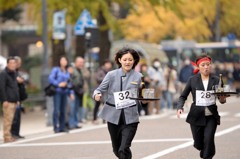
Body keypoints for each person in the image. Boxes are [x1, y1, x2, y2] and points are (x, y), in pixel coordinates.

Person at [92, 47, 142, 159]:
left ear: (134, 61)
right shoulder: (111, 75)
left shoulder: (139, 77)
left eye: (130, 59)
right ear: (119, 60)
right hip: (113, 117)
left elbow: (144, 95)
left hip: (131, 118)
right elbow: (99, 89)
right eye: (125, 59)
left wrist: (146, 99)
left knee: (123, 148)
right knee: (116, 149)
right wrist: (96, 95)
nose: (127, 62)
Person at [176, 54, 229, 159]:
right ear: (198, 67)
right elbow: (183, 96)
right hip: (196, 115)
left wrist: (223, 98)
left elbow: (222, 100)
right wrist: (179, 107)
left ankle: (207, 155)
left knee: (209, 139)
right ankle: (204, 150)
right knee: (199, 143)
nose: (206, 67)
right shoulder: (192, 80)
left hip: (211, 115)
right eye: (203, 65)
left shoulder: (216, 79)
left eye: (208, 65)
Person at [48, 56, 74, 133]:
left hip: (65, 92)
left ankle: (62, 127)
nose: (63, 62)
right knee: (56, 110)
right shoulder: (56, 70)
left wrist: (71, 93)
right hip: (57, 92)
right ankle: (55, 126)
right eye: (62, 60)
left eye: (65, 60)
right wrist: (58, 84)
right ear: (59, 61)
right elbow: (51, 78)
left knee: (63, 110)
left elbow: (70, 83)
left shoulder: (67, 71)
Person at [0, 57, 19, 143]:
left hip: (14, 100)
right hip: (8, 101)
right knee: (7, 119)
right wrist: (4, 100)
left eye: (14, 63)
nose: (13, 64)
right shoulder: (4, 74)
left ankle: (9, 135)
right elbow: (2, 88)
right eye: (11, 63)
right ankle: (6, 136)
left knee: (11, 120)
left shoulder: (14, 73)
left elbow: (15, 88)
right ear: (7, 64)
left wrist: (17, 99)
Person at [11, 56, 28, 139]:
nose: (19, 64)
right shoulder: (11, 73)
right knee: (14, 116)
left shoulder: (17, 72)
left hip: (19, 97)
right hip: (13, 98)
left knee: (18, 116)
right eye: (18, 63)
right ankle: (12, 133)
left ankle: (17, 133)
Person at [92, 59, 113, 124]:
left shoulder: (110, 71)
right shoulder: (100, 70)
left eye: (110, 64)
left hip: (107, 91)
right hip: (100, 90)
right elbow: (97, 78)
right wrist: (106, 80)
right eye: (107, 64)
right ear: (105, 64)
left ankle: (105, 118)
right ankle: (94, 118)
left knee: (105, 104)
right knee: (97, 104)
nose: (109, 65)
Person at [68, 57, 86, 129]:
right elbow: (70, 80)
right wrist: (71, 90)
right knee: (72, 108)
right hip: (73, 91)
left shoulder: (80, 70)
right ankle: (71, 123)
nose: (81, 64)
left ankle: (75, 122)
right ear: (75, 62)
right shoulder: (72, 70)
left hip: (79, 91)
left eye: (82, 62)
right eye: (80, 62)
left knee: (76, 108)